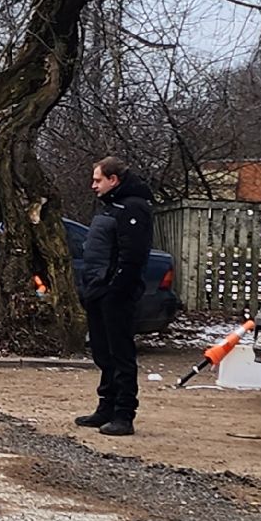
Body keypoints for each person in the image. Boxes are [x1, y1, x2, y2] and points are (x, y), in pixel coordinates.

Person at [76, 156, 154, 435]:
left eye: (98, 180)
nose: (93, 185)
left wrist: (115, 288)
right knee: (103, 353)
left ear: (114, 180)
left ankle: (124, 413)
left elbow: (132, 256)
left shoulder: (133, 208)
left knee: (120, 354)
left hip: (116, 294)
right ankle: (105, 407)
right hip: (98, 289)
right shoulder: (110, 208)